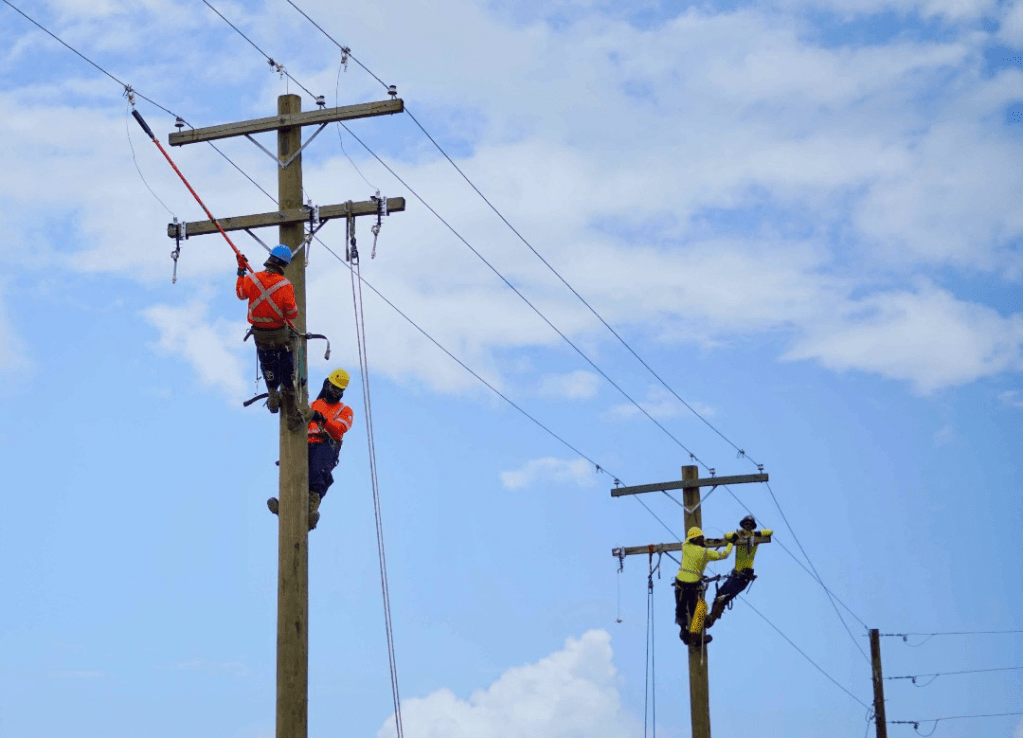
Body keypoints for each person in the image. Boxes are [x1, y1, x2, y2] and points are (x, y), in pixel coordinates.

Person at [267, 368, 354, 531]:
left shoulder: (345, 410)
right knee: (293, 471)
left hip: (325, 445)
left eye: (339, 390)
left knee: (316, 474)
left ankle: (310, 511)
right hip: (305, 443)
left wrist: (321, 418)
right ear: (328, 384)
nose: (335, 392)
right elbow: (298, 421)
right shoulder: (314, 404)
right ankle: (286, 507)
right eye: (334, 387)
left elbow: (339, 429)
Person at [236, 244, 299, 416]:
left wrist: (241, 271)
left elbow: (241, 294)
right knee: (286, 363)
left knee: (267, 362)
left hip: (260, 335)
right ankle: (289, 397)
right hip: (280, 334)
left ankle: (272, 392)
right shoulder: (285, 285)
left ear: (269, 259)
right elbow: (293, 314)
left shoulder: (252, 279)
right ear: (284, 265)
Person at [705, 515, 772, 628]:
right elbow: (726, 535)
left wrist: (757, 534)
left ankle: (711, 619)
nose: (748, 527)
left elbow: (769, 531)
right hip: (735, 575)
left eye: (750, 525)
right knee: (720, 594)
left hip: (743, 576)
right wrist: (737, 535)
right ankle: (711, 617)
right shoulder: (739, 536)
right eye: (746, 524)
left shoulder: (754, 538)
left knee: (723, 597)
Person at [673, 526, 732, 647]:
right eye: (701, 538)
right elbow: (724, 554)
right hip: (692, 586)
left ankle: (683, 631)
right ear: (698, 538)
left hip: (680, 584)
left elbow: (690, 544)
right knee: (697, 611)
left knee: (681, 608)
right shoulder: (705, 552)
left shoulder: (685, 547)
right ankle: (696, 638)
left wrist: (701, 542)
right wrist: (731, 542)